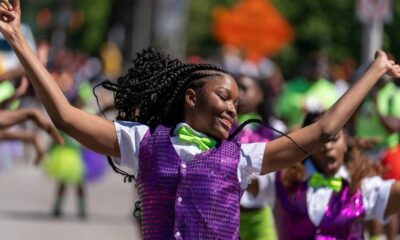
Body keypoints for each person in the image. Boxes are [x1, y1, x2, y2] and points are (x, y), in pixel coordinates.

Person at [0, 1, 399, 238]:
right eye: (224, 97)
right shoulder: (144, 143)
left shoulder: (241, 159)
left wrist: (375, 69)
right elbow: (66, 117)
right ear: (191, 98)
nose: (231, 109)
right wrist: (17, 38)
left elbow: (325, 130)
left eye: (237, 103)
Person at [250, 111, 400, 239]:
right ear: (307, 145)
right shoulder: (282, 180)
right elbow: (237, 172)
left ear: (346, 142)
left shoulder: (364, 187)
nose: (327, 147)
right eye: (319, 141)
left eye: (334, 139)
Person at [233, 73, 278, 240]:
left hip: (258, 216)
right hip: (226, 216)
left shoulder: (274, 129)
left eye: (244, 89)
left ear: (260, 95)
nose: (239, 95)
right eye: (236, 90)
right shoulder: (221, 127)